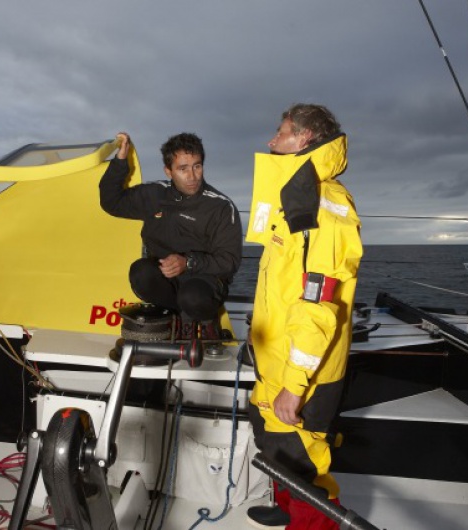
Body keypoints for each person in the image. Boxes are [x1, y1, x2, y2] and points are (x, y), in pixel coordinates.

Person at [245, 104, 362, 529]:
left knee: (304, 467)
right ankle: (284, 508)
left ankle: (309, 519)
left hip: (301, 372)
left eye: (281, 134)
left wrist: (294, 386)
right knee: (277, 448)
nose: (271, 142)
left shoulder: (321, 206)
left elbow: (319, 305)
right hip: (277, 358)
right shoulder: (297, 196)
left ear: (306, 138)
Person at [99, 132, 242, 337]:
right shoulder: (154, 194)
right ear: (168, 171)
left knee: (192, 297)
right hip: (167, 276)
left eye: (197, 166)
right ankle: (179, 319)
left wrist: (188, 262)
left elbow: (229, 261)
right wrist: (121, 161)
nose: (192, 176)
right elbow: (111, 202)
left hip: (204, 280)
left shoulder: (220, 207)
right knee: (141, 273)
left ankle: (205, 321)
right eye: (183, 169)